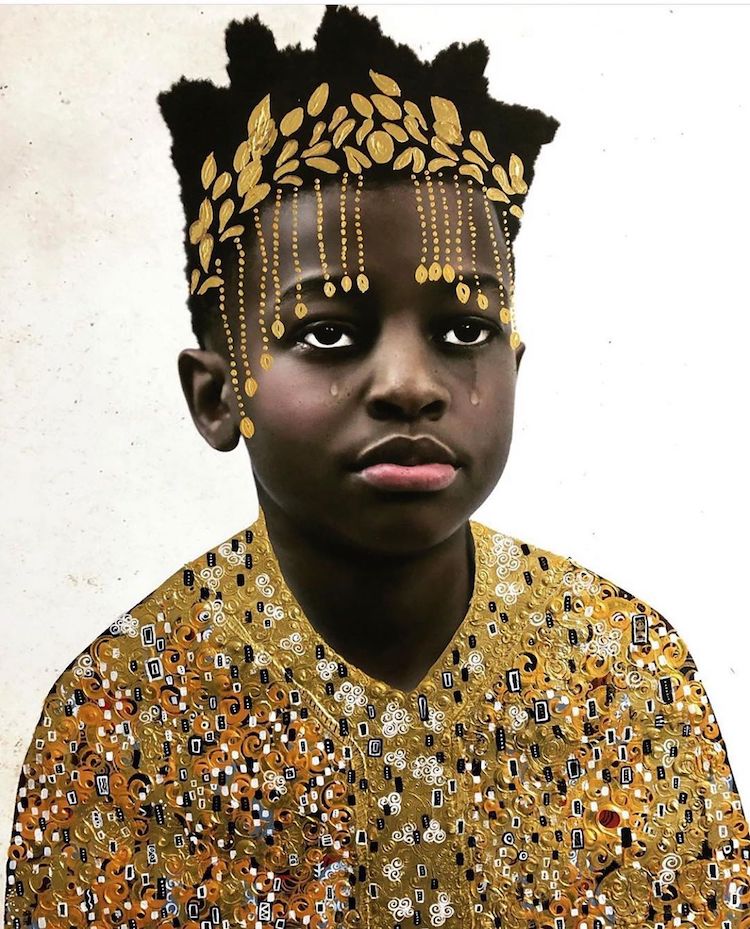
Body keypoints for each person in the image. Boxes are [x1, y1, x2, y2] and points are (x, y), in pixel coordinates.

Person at [4, 7, 749, 929]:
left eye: (464, 329)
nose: (409, 384)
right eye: (328, 333)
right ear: (216, 396)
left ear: (513, 370)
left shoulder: (627, 675)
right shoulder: (118, 719)